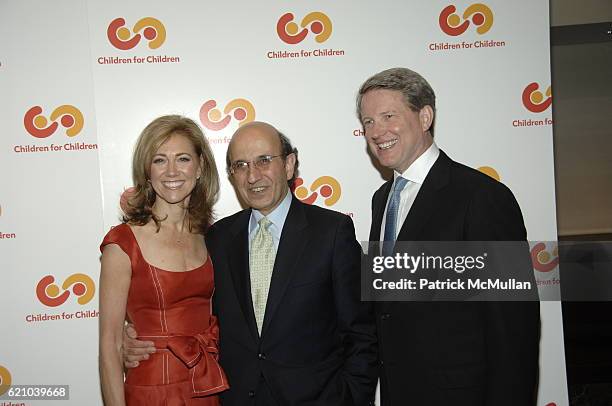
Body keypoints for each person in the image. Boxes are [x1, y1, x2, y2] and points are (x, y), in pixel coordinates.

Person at [123, 121, 378, 405]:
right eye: (240, 165)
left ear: (290, 164)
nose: (253, 175)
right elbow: (191, 312)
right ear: (232, 175)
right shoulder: (216, 238)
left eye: (264, 161)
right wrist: (133, 337)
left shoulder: (332, 232)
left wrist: (352, 398)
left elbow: (361, 332)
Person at [357, 68, 540, 406]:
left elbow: (513, 329)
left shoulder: (481, 197)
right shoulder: (382, 200)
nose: (376, 131)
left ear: (424, 116)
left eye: (388, 116)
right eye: (367, 121)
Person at [99, 115, 228, 406]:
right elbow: (110, 347)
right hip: (151, 393)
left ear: (200, 167)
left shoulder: (212, 238)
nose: (172, 171)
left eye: (183, 159)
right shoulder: (122, 243)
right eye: (159, 160)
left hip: (206, 388)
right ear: (147, 171)